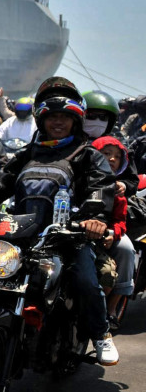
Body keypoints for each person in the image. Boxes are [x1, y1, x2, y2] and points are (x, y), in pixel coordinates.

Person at [0, 77, 119, 366]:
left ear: (75, 120)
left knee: (85, 279)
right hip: (22, 234)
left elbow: (102, 188)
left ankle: (101, 334)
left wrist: (94, 220)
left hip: (68, 237)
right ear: (42, 120)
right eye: (52, 117)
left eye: (64, 117)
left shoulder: (88, 155)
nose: (58, 122)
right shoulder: (27, 154)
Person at [91, 136, 137, 329]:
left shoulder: (117, 189)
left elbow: (120, 220)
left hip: (107, 235)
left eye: (116, 157)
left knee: (127, 249)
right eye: (106, 153)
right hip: (81, 233)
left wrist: (111, 233)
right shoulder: (79, 179)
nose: (111, 159)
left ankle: (110, 309)